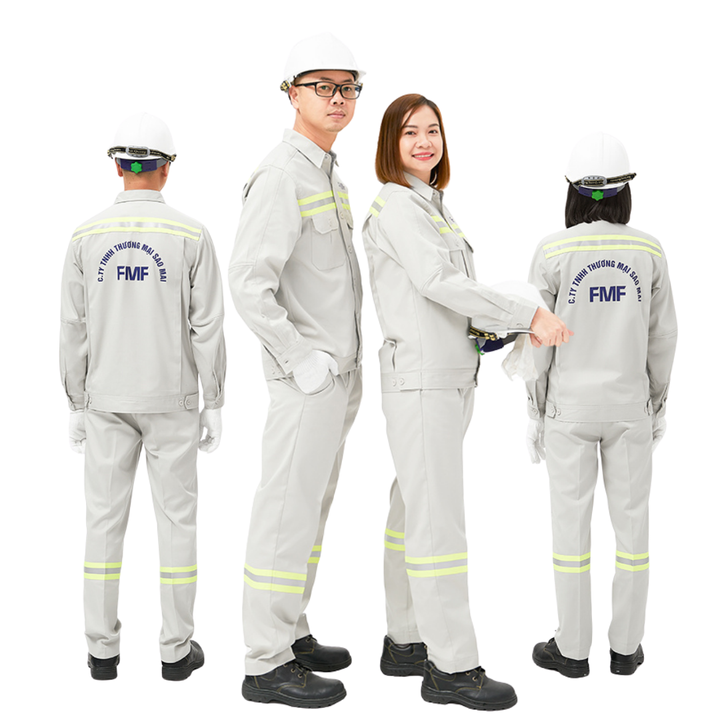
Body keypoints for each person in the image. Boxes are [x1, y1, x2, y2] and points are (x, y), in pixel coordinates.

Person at [362, 93, 571, 711]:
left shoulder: (433, 207)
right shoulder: (398, 206)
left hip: (446, 376)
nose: (425, 142)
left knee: (412, 507)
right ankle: (451, 666)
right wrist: (526, 313)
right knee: (437, 523)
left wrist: (484, 328)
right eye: (410, 133)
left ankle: (406, 640)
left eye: (433, 131)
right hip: (424, 382)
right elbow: (439, 282)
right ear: (390, 144)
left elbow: (442, 297)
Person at [60, 112, 226, 681]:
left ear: (117, 167)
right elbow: (207, 326)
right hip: (171, 400)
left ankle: (101, 653)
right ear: (167, 168)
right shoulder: (190, 236)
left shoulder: (85, 237)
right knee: (177, 524)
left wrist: (76, 402)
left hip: (106, 400)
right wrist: (214, 399)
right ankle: (176, 653)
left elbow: (74, 328)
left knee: (103, 525)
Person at [228, 33, 363, 709]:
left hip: (336, 380)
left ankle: (291, 630)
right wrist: (300, 358)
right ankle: (265, 661)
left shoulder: (328, 174)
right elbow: (248, 282)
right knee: (285, 513)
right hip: (307, 380)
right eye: (322, 87)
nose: (338, 99)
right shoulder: (282, 176)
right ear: (291, 94)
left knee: (311, 509)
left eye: (348, 88)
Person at [526, 133, 677, 678]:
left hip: (569, 409)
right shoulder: (649, 251)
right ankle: (626, 648)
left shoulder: (552, 252)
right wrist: (656, 402)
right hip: (629, 407)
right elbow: (663, 336)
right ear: (624, 192)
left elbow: (536, 342)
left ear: (573, 192)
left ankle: (571, 651)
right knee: (633, 529)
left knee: (570, 532)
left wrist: (535, 409)